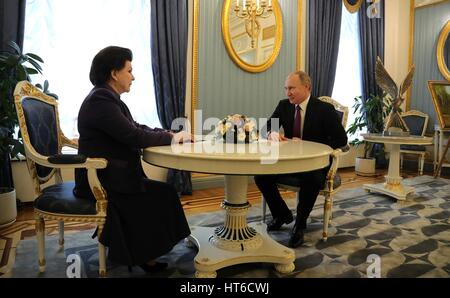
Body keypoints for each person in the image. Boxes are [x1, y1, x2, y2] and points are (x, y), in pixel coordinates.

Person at [73, 46, 192, 272]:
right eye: (129, 70)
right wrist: (173, 138)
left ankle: (145, 253)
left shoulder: (107, 98)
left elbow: (135, 127)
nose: (133, 76)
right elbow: (133, 136)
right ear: (114, 73)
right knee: (161, 194)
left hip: (111, 176)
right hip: (103, 181)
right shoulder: (101, 100)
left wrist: (170, 134)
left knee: (162, 192)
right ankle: (145, 256)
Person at [254, 71, 347, 248]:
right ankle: (281, 214)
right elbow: (267, 127)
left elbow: (341, 140)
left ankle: (300, 224)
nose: (287, 93)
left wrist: (307, 144)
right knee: (261, 176)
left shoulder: (324, 110)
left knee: (311, 179)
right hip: (290, 161)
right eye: (286, 88)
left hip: (316, 163)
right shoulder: (284, 106)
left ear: (307, 87)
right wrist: (272, 133)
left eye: (291, 88)